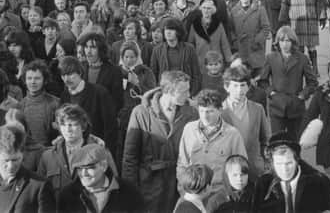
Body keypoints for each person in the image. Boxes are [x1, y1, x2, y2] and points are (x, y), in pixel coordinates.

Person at [122, 70, 198, 212]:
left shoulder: (191, 113)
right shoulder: (141, 112)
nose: (188, 95)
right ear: (168, 91)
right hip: (149, 185)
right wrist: (130, 191)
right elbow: (130, 157)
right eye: (183, 91)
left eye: (188, 90)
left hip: (179, 184)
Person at [177, 89, 247, 193]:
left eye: (210, 111)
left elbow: (240, 167)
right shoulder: (189, 129)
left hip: (220, 193)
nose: (205, 116)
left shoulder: (233, 134)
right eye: (201, 111)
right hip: (192, 192)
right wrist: (183, 189)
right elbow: (182, 163)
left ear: (220, 110)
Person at [0, 124, 54, 213]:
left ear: (23, 153)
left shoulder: (39, 186)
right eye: (6, 160)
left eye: (15, 160)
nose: (11, 166)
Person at [252, 132, 330, 213]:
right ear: (272, 163)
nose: (284, 170)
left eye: (289, 163)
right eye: (279, 164)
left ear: (297, 160)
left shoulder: (320, 183)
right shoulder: (263, 184)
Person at [258, 26, 318, 139]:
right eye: (282, 41)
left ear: (293, 42)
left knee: (295, 143)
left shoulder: (302, 58)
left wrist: (302, 95)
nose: (284, 44)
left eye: (287, 41)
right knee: (277, 143)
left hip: (296, 107)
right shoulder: (270, 58)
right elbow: (262, 81)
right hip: (277, 107)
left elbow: (313, 82)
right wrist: (271, 93)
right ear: (277, 42)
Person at [300, 60, 330, 202]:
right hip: (327, 144)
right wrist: (300, 137)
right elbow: (310, 115)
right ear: (328, 75)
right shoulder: (321, 93)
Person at [57, 143, 145, 213]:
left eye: (89, 168)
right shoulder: (67, 196)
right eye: (80, 168)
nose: (84, 173)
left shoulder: (129, 193)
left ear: (103, 166)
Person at [58, 56, 117, 150]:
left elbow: (110, 127)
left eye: (70, 74)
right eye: (63, 75)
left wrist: (107, 149)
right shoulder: (64, 96)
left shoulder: (99, 93)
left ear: (80, 73)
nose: (66, 79)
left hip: (97, 149)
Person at [221, 66, 271, 175]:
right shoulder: (220, 111)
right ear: (226, 87)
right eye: (235, 86)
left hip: (254, 167)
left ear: (248, 87)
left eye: (243, 85)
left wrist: (266, 162)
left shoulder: (257, 109)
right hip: (229, 169)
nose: (239, 90)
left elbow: (266, 138)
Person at [278, 0, 325, 70]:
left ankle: (315, 69)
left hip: (310, 21)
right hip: (296, 22)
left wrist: (322, 17)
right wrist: (283, 20)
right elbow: (285, 4)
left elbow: (319, 3)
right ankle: (300, 69)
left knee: (312, 47)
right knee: (298, 47)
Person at [150, 18, 202, 95]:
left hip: (185, 92)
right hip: (165, 93)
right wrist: (158, 93)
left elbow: (196, 74)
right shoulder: (157, 50)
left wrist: (192, 94)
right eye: (166, 29)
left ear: (178, 32)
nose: (168, 32)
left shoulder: (189, 48)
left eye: (172, 29)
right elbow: (153, 74)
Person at [231, 0, 270, 75]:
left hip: (256, 51)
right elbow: (230, 29)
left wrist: (256, 40)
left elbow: (266, 28)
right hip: (241, 52)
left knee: (259, 80)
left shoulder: (260, 9)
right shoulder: (234, 11)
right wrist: (235, 42)